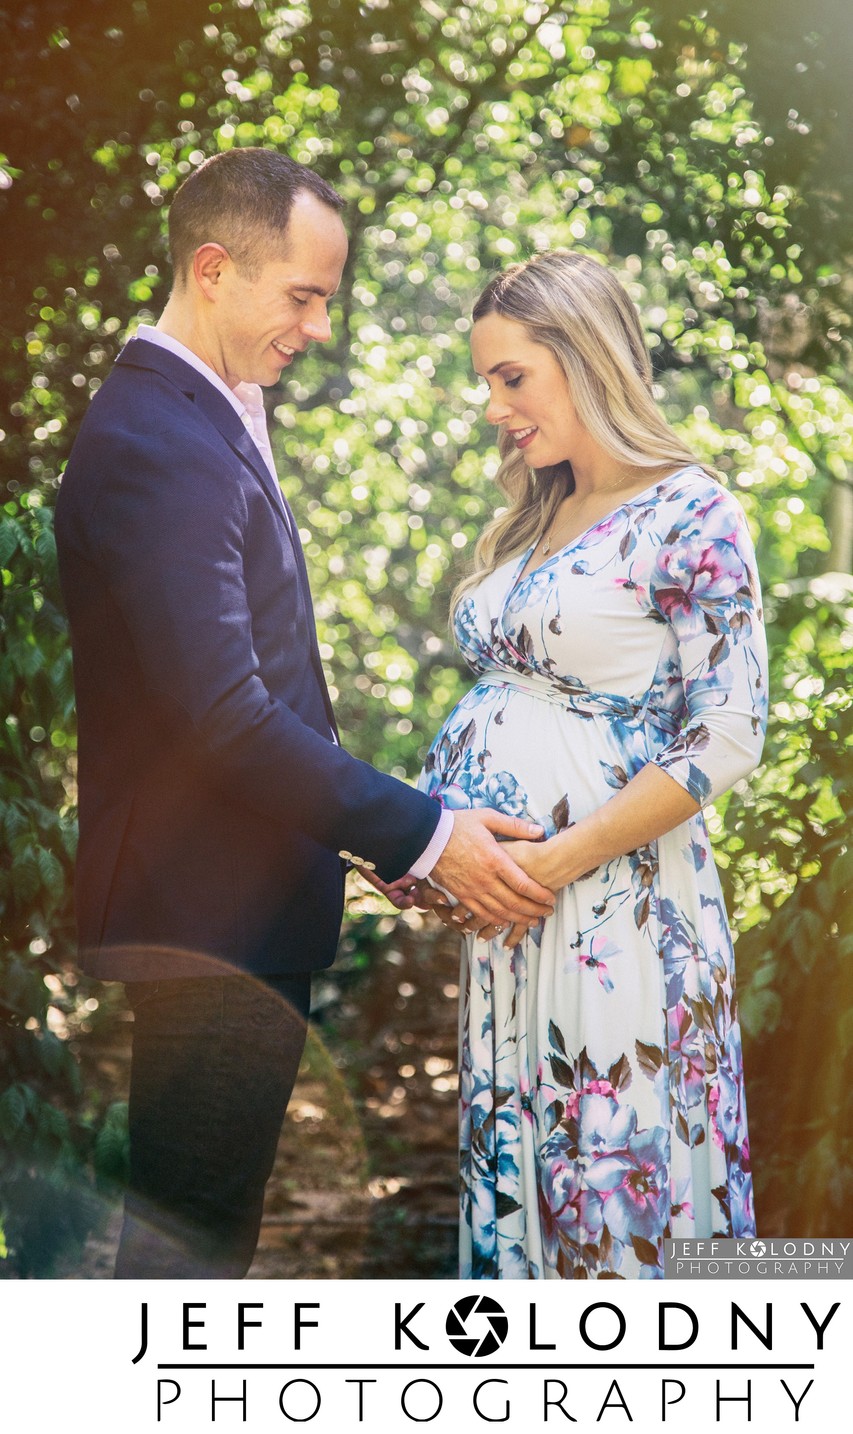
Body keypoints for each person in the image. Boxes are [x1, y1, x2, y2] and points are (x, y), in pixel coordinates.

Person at [54, 148, 554, 1279]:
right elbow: (221, 713)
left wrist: (350, 829)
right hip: (206, 916)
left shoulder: (201, 415)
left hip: (227, 897)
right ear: (215, 268)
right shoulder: (158, 442)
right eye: (304, 296)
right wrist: (421, 831)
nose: (319, 326)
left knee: (197, 1232)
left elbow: (251, 687)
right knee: (186, 1247)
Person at [414, 250, 768, 1279]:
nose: (492, 407)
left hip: (612, 906)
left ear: (586, 356)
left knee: (610, 1181)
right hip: (514, 912)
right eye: (485, 381)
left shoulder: (690, 512)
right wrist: (436, 847)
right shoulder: (536, 513)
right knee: (529, 1173)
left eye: (510, 377)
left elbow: (728, 733)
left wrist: (554, 862)